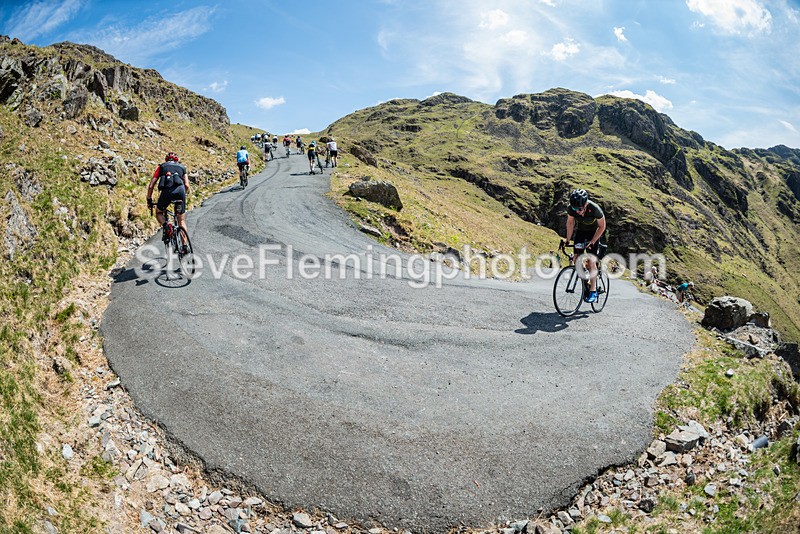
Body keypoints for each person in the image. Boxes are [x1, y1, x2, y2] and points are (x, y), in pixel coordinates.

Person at [564, 188, 606, 303]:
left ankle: (593, 290)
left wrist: (592, 241)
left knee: (591, 261)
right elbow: (570, 223)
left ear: (586, 204)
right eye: (574, 208)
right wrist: (568, 239)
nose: (577, 211)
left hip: (594, 233)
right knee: (576, 259)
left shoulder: (595, 209)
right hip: (581, 232)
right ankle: (586, 279)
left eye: (580, 209)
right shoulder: (571, 209)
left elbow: (602, 226)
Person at [146, 151, 190, 253]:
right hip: (180, 192)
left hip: (166, 192)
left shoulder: (161, 167)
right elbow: (187, 185)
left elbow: (151, 185)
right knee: (181, 221)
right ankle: (184, 246)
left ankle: (166, 225)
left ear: (167, 160)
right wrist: (184, 195)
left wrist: (149, 199)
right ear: (177, 160)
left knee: (159, 212)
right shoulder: (182, 168)